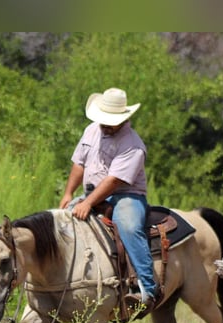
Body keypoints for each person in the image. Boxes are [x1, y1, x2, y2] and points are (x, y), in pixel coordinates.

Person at [59, 87, 160, 311]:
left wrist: (87, 203)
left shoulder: (133, 145)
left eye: (109, 121)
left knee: (128, 225)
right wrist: (68, 194)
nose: (104, 124)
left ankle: (147, 286)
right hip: (92, 193)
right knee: (62, 222)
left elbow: (114, 181)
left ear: (122, 119)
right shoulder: (91, 130)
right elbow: (79, 163)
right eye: (103, 119)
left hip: (126, 195)